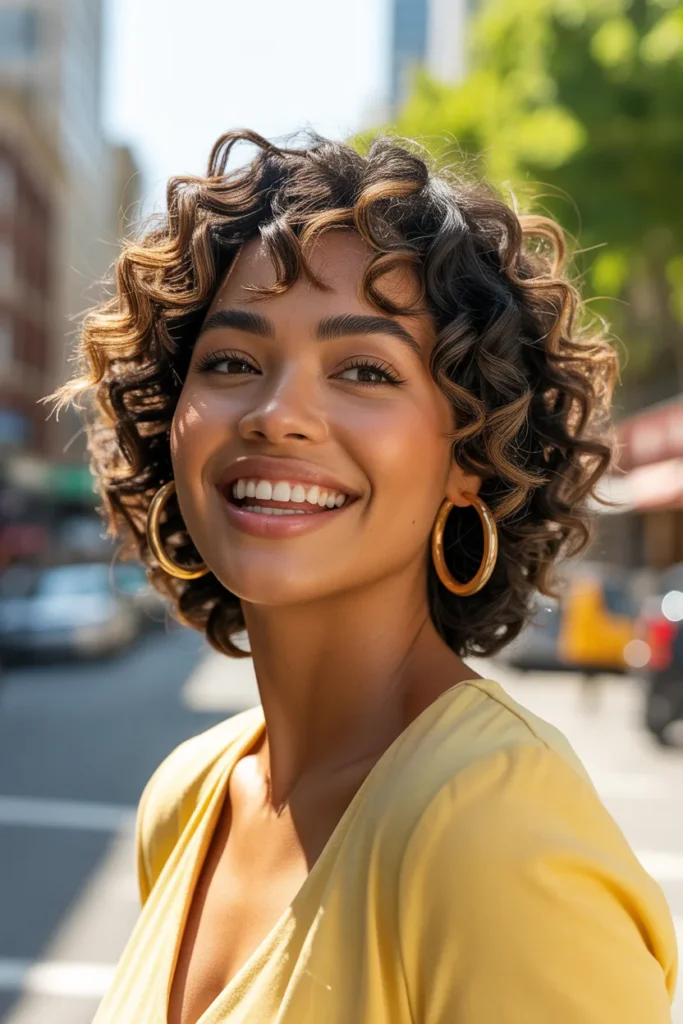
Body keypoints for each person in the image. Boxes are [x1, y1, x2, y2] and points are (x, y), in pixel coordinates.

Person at [52, 130, 677, 1023]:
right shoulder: (189, 794)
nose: (277, 417)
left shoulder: (494, 836)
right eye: (231, 361)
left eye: (363, 370)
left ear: (472, 450)